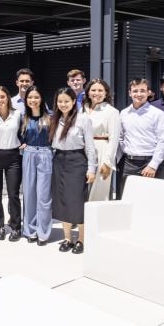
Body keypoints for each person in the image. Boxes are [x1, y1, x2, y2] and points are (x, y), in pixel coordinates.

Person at [51, 87, 97, 255]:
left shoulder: (83, 119)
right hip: (58, 160)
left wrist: (91, 169)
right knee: (62, 200)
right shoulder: (54, 119)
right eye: (60, 101)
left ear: (73, 102)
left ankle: (81, 239)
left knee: (77, 201)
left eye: (66, 101)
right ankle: (67, 238)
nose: (63, 104)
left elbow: (90, 147)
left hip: (77, 161)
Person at [117, 79, 164, 197]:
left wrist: (152, 165)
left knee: (151, 199)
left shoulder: (158, 114)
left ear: (148, 93)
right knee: (127, 198)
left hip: (150, 162)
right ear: (129, 93)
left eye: (142, 91)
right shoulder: (124, 113)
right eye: (135, 91)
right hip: (128, 163)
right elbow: (120, 138)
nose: (139, 94)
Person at [0, 86, 23, 241]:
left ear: (8, 97)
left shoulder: (18, 114)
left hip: (13, 156)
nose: (0, 100)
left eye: (2, 97)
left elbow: (22, 133)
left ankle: (15, 227)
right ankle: (0, 226)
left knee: (14, 193)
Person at [20, 85, 53, 245]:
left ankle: (43, 232)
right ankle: (30, 230)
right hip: (29, 155)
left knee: (43, 196)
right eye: (30, 97)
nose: (33, 100)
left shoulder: (50, 117)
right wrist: (22, 144)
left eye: (36, 97)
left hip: (46, 154)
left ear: (41, 99)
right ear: (26, 100)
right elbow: (19, 137)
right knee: (29, 194)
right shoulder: (23, 118)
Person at [83, 79, 121, 201]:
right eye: (93, 90)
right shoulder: (82, 109)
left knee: (98, 190)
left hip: (101, 150)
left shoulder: (111, 112)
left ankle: (95, 219)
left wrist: (107, 162)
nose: (97, 93)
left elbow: (114, 139)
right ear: (88, 92)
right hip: (83, 151)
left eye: (100, 90)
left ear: (106, 93)